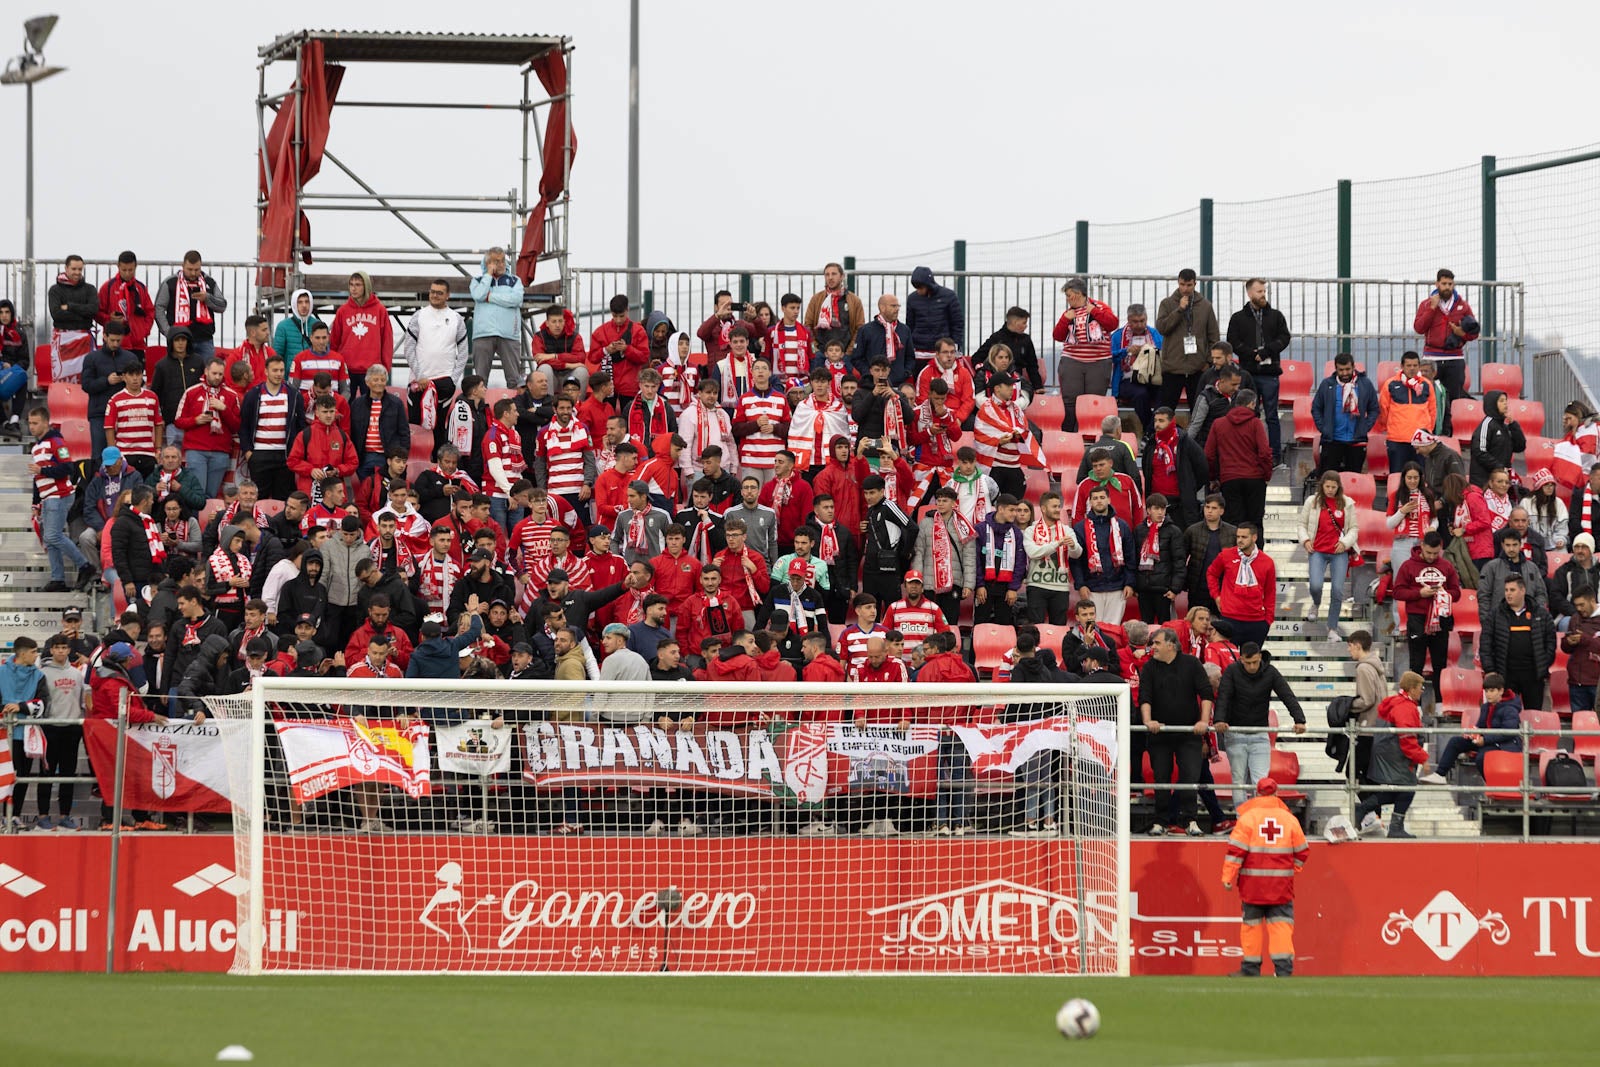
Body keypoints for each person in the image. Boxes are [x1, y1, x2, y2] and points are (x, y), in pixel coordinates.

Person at [1221, 777, 1308, 977]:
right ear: (1276, 794)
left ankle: (1250, 969)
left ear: (1257, 794)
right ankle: (1283, 970)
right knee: (1281, 926)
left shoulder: (1247, 819)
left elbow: (1235, 852)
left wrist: (1227, 876)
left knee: (1251, 927)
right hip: (1280, 886)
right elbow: (1302, 851)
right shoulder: (1289, 819)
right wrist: (1292, 869)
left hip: (1252, 886)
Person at [1139, 628, 1214, 836]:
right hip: (1159, 735)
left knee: (1190, 777)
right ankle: (1161, 821)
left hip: (1189, 734)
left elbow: (1206, 694)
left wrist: (1203, 721)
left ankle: (1190, 820)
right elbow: (1145, 696)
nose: (1152, 647)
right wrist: (1148, 721)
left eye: (1157, 643)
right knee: (1161, 778)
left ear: (1171, 645)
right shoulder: (1149, 667)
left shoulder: (1192, 664)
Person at [1215, 643, 1306, 807]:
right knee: (1238, 780)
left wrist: (1299, 719)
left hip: (1259, 734)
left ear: (1260, 657)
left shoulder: (1270, 672)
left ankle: (1259, 815)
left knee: (1261, 781)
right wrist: (1219, 720)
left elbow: (1287, 695)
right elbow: (1223, 696)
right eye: (1248, 663)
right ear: (1241, 659)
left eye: (1255, 662)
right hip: (1235, 733)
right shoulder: (1231, 671)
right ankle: (1242, 817)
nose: (1252, 667)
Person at [1225, 279, 1292, 466]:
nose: (1263, 294)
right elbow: (1233, 341)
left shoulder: (1276, 316)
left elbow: (1284, 337)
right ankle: (1247, 452)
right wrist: (1250, 353)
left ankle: (1274, 455)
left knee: (1272, 416)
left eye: (1264, 291)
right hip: (1248, 373)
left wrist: (1266, 352)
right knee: (1247, 414)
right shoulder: (1238, 318)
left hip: (1270, 373)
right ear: (1249, 293)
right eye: (1259, 291)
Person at [1356, 672, 1429, 839]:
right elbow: (1407, 737)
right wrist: (1422, 757)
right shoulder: (1405, 707)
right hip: (1396, 754)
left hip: (1388, 752)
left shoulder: (1396, 702)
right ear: (1412, 689)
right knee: (1407, 788)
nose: (1422, 690)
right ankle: (1395, 827)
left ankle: (1364, 808)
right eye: (1420, 687)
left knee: (1400, 789)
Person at [1421, 673, 1523, 784]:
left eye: (1492, 691)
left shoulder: (1510, 709)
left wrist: (1484, 739)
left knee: (1481, 758)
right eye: (1486, 691)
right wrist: (1473, 733)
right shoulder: (1486, 707)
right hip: (1487, 741)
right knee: (1455, 742)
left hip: (1503, 744)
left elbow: (1508, 732)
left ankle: (1494, 785)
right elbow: (1481, 726)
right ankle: (1440, 774)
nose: (1488, 694)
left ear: (1501, 691)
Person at [1479, 574, 1557, 711]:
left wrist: (1544, 664)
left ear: (1522, 590)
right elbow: (1486, 643)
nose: (1508, 594)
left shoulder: (1540, 613)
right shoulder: (1495, 614)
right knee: (1507, 714)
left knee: (1533, 715)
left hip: (1533, 675)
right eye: (1506, 590)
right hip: (1506, 674)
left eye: (1512, 590)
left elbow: (1551, 640)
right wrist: (1490, 669)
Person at [1298, 471, 1360, 640]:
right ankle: (1316, 603)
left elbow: (1354, 528)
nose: (1330, 490)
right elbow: (1302, 525)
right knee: (1315, 585)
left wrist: (1345, 543)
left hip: (1339, 551)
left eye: (1333, 487)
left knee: (1338, 590)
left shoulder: (1347, 503)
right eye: (1327, 486)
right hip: (1317, 550)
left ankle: (1332, 628)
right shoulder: (1312, 501)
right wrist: (1305, 540)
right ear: (1322, 486)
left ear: (1338, 486)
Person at [1052, 277, 1119, 431]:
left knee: (1093, 401)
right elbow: (1058, 336)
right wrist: (1065, 320)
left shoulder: (1099, 307)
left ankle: (1090, 432)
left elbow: (1112, 324)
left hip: (1098, 361)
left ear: (1078, 294)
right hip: (1072, 360)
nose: (1068, 299)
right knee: (1070, 400)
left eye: (1069, 295)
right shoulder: (1068, 313)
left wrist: (1094, 312)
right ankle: (1069, 432)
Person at [1413, 268, 1479, 417]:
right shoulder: (1426, 304)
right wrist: (1432, 308)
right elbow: (1419, 328)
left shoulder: (1463, 306)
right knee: (1428, 397)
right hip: (1431, 358)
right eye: (1444, 284)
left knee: (1454, 400)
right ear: (1437, 284)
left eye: (1450, 284)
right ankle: (1430, 428)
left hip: (1454, 358)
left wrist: (1462, 334)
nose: (1447, 287)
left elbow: (1474, 332)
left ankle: (1450, 430)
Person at [1154, 269, 1220, 411]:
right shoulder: (1167, 303)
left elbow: (1213, 336)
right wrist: (1179, 310)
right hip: (1173, 367)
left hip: (1197, 368)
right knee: (1165, 410)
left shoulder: (1205, 306)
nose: (1185, 289)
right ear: (1178, 283)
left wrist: (1208, 362)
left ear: (1195, 284)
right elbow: (1162, 328)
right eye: (1182, 284)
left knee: (1198, 411)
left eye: (1189, 285)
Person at [1207, 389, 1273, 530]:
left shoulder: (1218, 424)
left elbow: (1209, 455)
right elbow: (1265, 453)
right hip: (1254, 478)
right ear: (1252, 404)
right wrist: (1267, 475)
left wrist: (1214, 477)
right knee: (1255, 524)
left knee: (1232, 525)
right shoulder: (1256, 423)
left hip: (1229, 479)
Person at [1071, 485, 1135, 625]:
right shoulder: (1080, 528)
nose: (1099, 501)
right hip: (1091, 588)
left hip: (1117, 588)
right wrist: (1081, 585)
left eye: (1102, 497)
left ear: (1109, 500)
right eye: (1095, 498)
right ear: (1090, 502)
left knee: (1113, 629)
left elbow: (1130, 557)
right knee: (1092, 628)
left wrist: (1129, 583)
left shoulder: (1122, 526)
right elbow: (1076, 561)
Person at [911, 488, 976, 625]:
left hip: (954, 582)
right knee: (929, 623)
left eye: (944, 501)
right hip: (930, 583)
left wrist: (968, 585)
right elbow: (918, 553)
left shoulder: (963, 525)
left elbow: (969, 557)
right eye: (938, 501)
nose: (940, 504)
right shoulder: (926, 523)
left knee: (950, 623)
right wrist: (918, 580)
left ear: (953, 503)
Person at [1208, 523, 1276, 649]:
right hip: (1230, 617)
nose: (1239, 540)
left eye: (1244, 537)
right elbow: (1211, 573)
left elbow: (1270, 592)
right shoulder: (1226, 555)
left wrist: (1268, 620)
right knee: (1228, 658)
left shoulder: (1267, 562)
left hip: (1256, 621)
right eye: (1238, 536)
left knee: (1251, 660)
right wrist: (1216, 596)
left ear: (1254, 537)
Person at [1312, 353, 1379, 474]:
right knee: (1329, 479)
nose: (1344, 373)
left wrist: (1365, 427)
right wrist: (1324, 428)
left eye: (1347, 369)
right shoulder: (1327, 384)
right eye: (1341, 370)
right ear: (1336, 369)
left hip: (1356, 441)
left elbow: (1374, 409)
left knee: (1353, 479)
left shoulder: (1365, 384)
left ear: (1353, 367)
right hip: (1332, 441)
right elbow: (1316, 408)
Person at [154, 251, 228, 361]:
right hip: (179, 340)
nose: (193, 273)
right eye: (190, 269)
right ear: (183, 266)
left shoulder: (209, 282)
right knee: (179, 371)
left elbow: (222, 306)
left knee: (207, 371)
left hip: (205, 340)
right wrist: (168, 332)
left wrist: (207, 298)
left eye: (197, 270)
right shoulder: (170, 282)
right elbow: (158, 308)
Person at [1024, 490, 1082, 625]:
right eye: (1054, 506)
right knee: (1036, 626)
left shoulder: (1067, 530)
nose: (1057, 509)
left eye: (1059, 506)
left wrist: (1073, 546)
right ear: (1043, 509)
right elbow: (1033, 553)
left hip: (1060, 587)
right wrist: (1057, 543)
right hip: (1036, 585)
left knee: (1059, 627)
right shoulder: (1031, 530)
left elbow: (1077, 554)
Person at [588, 295, 650, 416]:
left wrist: (627, 349)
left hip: (629, 382)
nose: (618, 320)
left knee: (630, 417)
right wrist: (606, 350)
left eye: (621, 316)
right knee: (606, 418)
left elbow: (644, 357)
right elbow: (592, 358)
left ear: (627, 310)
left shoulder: (638, 330)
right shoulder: (601, 331)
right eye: (615, 316)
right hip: (607, 382)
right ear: (611, 313)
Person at [1378, 351, 1438, 474]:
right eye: (1409, 365)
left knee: (1421, 476)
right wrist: (1387, 428)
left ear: (1419, 366)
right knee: (1397, 475)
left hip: (1421, 440)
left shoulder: (1426, 384)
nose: (1412, 368)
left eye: (1415, 365)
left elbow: (1432, 410)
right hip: (1397, 439)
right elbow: (1383, 409)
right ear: (1402, 366)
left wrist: (1428, 430)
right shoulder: (1390, 384)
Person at [1477, 530, 1549, 627]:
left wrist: (1537, 616)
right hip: (1500, 621)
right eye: (1508, 545)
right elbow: (1484, 595)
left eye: (1514, 545)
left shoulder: (1532, 567)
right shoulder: (1491, 567)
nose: (1511, 549)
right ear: (1502, 545)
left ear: (1520, 544)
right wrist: (1487, 622)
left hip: (1528, 620)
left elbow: (1541, 593)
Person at [1133, 493, 1185, 623]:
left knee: (1166, 626)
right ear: (1148, 510)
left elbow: (1179, 562)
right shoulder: (1139, 530)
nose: (1160, 512)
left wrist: (1174, 589)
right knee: (1145, 626)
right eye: (1156, 508)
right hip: (1143, 588)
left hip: (1164, 589)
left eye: (1163, 508)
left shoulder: (1174, 531)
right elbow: (1134, 559)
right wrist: (1135, 585)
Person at [906, 266, 963, 376]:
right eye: (916, 287)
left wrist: (955, 345)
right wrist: (911, 345)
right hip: (919, 349)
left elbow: (957, 323)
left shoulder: (949, 296)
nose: (918, 290)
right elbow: (910, 324)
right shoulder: (912, 299)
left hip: (942, 348)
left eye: (920, 287)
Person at [1467, 389, 1526, 488]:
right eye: (1501, 401)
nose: (1505, 403)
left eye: (1506, 400)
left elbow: (1520, 446)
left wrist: (1513, 424)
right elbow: (1480, 451)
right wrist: (1499, 467)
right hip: (1484, 481)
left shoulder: (1505, 427)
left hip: (1500, 481)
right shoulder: (1487, 424)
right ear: (1492, 404)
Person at [803, 262, 866, 355]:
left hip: (845, 354)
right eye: (827, 274)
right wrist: (815, 350)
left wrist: (849, 352)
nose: (830, 277)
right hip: (821, 353)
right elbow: (808, 326)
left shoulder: (854, 300)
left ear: (842, 276)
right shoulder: (816, 299)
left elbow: (859, 328)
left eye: (834, 274)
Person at [850, 295, 914, 386]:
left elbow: (910, 357)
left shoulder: (904, 330)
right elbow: (856, 358)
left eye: (898, 306)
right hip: (872, 385)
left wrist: (905, 373)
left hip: (898, 384)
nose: (897, 309)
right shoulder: (866, 330)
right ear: (882, 308)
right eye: (893, 306)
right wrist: (869, 374)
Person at [1561, 585, 1600, 713]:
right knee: (1579, 722)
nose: (1579, 608)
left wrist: (1583, 639)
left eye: (1582, 605)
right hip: (1576, 682)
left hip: (1597, 683)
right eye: (1576, 605)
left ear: (1592, 601)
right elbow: (1565, 648)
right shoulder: (1575, 618)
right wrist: (1568, 642)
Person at [1549, 534, 1599, 629]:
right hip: (1571, 614)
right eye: (1577, 547)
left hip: (1597, 613)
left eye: (1584, 547)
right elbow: (1556, 596)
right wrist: (1575, 612)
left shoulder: (1598, 570)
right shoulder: (1564, 570)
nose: (1580, 550)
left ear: (1591, 549)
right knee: (1566, 624)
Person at [1522, 468, 1570, 552]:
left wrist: (1560, 539)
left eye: (1552, 485)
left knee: (1562, 551)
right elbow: (1522, 527)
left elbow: (1562, 527)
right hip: (1532, 545)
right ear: (1539, 487)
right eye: (1546, 485)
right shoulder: (1526, 502)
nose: (1550, 488)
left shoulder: (1559, 503)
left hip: (1554, 545)